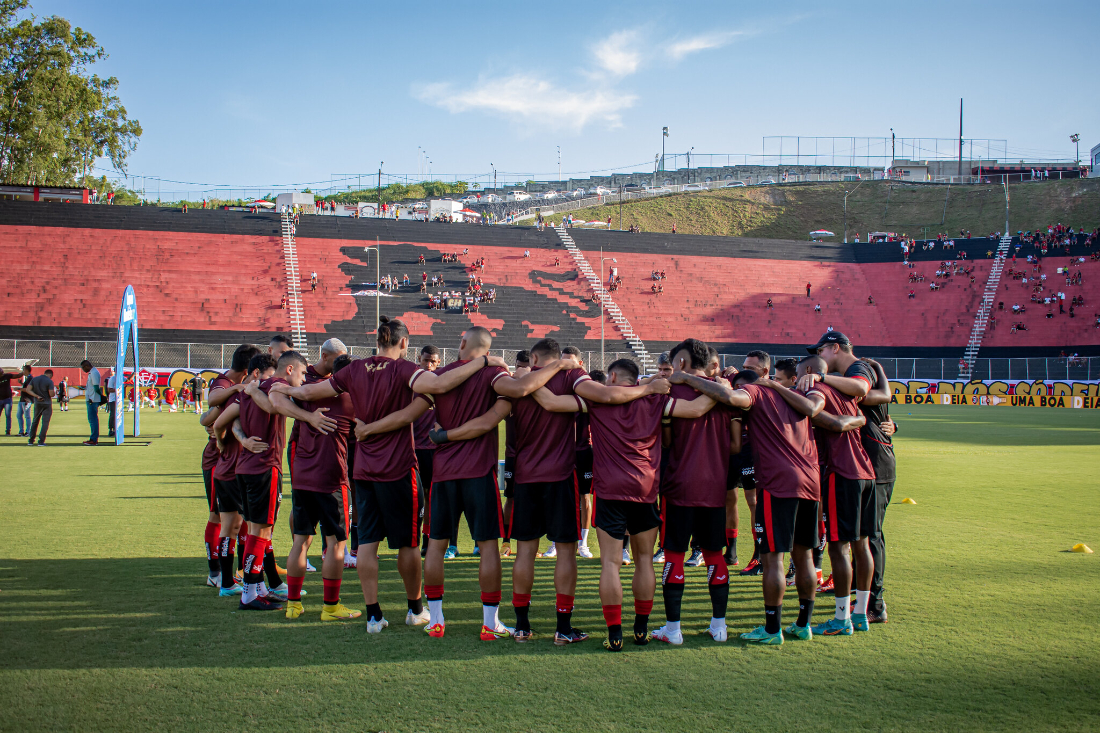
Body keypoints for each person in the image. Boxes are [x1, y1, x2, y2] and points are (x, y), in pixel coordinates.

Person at [277, 322, 515, 637]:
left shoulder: (355, 369)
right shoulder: (405, 370)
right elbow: (430, 395)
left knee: (369, 545)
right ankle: (418, 610)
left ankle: (375, 617)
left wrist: (284, 389)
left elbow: (309, 391)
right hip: (400, 469)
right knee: (411, 545)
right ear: (404, 342)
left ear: (376, 340)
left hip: (363, 469)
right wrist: (484, 362)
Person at [530, 359, 717, 651]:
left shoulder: (597, 402)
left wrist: (530, 376)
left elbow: (550, 402)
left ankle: (615, 633)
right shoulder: (656, 401)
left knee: (611, 564)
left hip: (610, 489)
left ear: (613, 376)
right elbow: (698, 408)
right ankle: (640, 629)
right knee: (644, 560)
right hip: (644, 489)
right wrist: (722, 386)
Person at [420, 327, 582, 641]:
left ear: (463, 342)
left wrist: (442, 435)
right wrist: (560, 365)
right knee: (489, 547)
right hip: (479, 471)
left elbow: (417, 408)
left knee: (436, 546)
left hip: (443, 472)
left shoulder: (440, 375)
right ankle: (489, 622)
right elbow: (520, 390)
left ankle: (436, 620)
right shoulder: (494, 373)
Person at [252, 342, 361, 622]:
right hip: (333, 478)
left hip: (302, 475)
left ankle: (293, 605)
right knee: (336, 544)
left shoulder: (305, 392)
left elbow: (276, 397)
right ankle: (331, 606)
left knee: (300, 542)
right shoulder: (351, 401)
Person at [652, 339, 738, 644]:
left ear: (682, 363)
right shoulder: (726, 394)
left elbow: (665, 442)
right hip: (715, 486)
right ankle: (719, 627)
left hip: (679, 486)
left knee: (674, 555)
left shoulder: (670, 391)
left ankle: (673, 630)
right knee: (715, 556)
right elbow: (736, 443)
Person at [798, 333, 879, 633]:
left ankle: (842, 618)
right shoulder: (845, 392)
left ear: (807, 373)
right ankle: (860, 614)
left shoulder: (818, 387)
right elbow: (858, 415)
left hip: (840, 474)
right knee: (861, 545)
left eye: (796, 376)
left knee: (838, 548)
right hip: (865, 473)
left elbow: (817, 413)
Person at [200, 345, 262, 595]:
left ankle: (235, 572)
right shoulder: (224, 383)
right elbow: (209, 411)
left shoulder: (242, 387)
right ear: (250, 370)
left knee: (241, 519)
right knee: (220, 517)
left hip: (236, 460)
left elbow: (205, 419)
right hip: (220, 459)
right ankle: (215, 574)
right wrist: (236, 389)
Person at [412, 345, 443, 558]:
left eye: (433, 361)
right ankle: (411, 540)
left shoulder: (443, 385)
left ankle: (427, 540)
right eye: (425, 361)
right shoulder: (412, 386)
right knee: (414, 497)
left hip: (435, 449)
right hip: (412, 449)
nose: (429, 365)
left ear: (438, 362)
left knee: (432, 497)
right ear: (419, 360)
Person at [25, 369, 56, 446]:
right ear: (51, 375)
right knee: (45, 422)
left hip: (37, 402)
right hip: (47, 403)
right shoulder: (49, 381)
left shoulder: (34, 379)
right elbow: (51, 394)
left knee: (35, 421)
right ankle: (41, 441)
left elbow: (28, 390)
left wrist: (36, 396)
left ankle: (31, 440)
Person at [80, 361, 102, 445]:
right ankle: (93, 438)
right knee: (92, 419)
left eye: (83, 367)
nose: (83, 369)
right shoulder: (92, 372)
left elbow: (96, 387)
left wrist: (101, 397)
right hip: (92, 398)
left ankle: (93, 439)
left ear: (87, 366)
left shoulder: (94, 373)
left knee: (93, 419)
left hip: (92, 400)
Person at [0, 367, 19, 434]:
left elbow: (17, 376)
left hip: (7, 399)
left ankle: (8, 430)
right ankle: (8, 430)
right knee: (8, 416)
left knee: (8, 415)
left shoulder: (7, 376)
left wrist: (21, 372)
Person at [17, 364, 33, 437]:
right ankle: (21, 431)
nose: (23, 371)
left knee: (27, 416)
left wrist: (19, 389)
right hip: (23, 399)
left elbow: (28, 389)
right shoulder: (28, 378)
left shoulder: (30, 378)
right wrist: (21, 383)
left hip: (27, 399)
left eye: (23, 370)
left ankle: (28, 432)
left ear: (26, 370)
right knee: (19, 415)